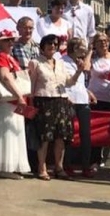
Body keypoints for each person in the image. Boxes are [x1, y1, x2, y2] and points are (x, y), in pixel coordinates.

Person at [29, 34, 82, 180]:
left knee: (61, 137)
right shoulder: (35, 62)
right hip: (44, 101)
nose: (52, 46)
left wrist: (78, 71)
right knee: (44, 137)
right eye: (49, 43)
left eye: (55, 44)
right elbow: (31, 86)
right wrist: (31, 103)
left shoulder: (60, 63)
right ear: (42, 46)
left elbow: (69, 82)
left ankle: (59, 168)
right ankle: (42, 167)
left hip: (61, 101)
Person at [0, 29, 30, 179]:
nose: (11, 42)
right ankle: (4, 166)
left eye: (12, 40)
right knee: (6, 132)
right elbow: (5, 76)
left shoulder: (10, 57)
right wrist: (19, 95)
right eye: (7, 40)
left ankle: (13, 165)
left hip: (13, 100)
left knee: (15, 131)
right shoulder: (0, 56)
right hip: (6, 100)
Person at [62, 37, 93, 178]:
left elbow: (81, 82)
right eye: (83, 47)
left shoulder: (80, 61)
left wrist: (88, 92)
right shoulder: (63, 62)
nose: (85, 49)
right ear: (75, 48)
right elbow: (66, 82)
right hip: (70, 100)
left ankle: (86, 166)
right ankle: (67, 165)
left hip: (83, 100)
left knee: (85, 134)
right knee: (69, 134)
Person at [88, 33, 110, 171]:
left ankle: (107, 160)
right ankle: (94, 161)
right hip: (96, 99)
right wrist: (90, 51)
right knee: (96, 131)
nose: (103, 43)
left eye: (105, 40)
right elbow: (86, 68)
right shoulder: (93, 58)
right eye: (100, 41)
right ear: (95, 44)